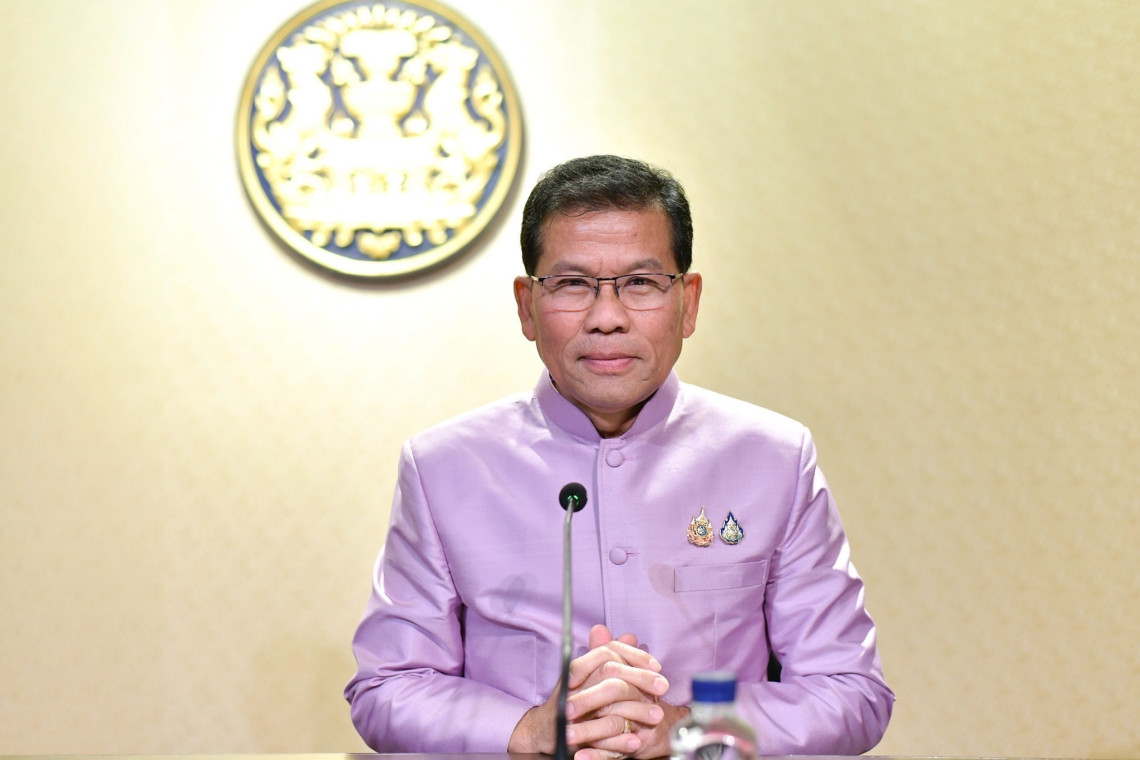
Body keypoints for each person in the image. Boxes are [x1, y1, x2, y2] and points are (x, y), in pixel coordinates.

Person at [345, 155, 894, 759]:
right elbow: (386, 688)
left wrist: (688, 729)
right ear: (527, 306)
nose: (607, 319)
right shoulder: (444, 467)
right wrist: (526, 729)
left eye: (640, 283)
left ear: (688, 302)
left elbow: (851, 693)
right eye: (572, 284)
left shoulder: (774, 459)